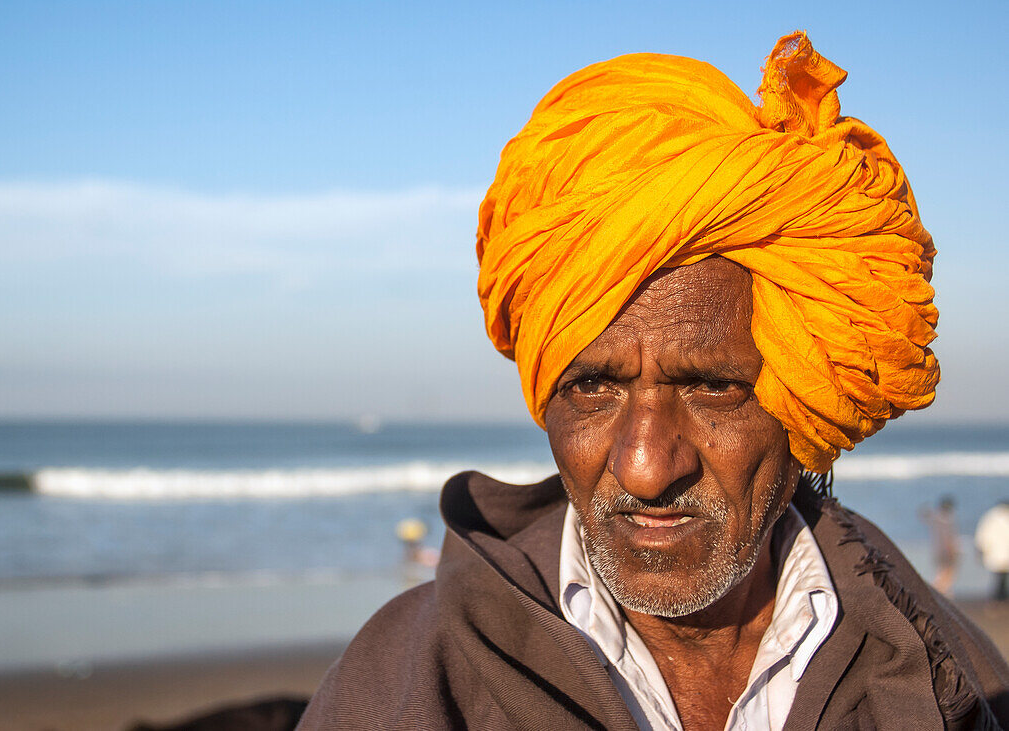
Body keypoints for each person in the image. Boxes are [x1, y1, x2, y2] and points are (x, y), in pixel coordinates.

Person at [299, 32, 1009, 729]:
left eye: (711, 388)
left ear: (799, 394)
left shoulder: (944, 677)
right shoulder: (402, 685)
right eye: (593, 389)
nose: (644, 467)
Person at [921, 496, 960, 596]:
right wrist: (952, 551)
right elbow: (948, 538)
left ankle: (937, 594)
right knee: (945, 576)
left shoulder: (937, 518)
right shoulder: (946, 520)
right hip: (946, 551)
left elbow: (925, 515)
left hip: (938, 551)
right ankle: (937, 594)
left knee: (942, 575)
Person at [976, 500, 1009, 601]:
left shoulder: (991, 516)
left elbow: (982, 535)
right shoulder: (995, 517)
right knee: (1001, 577)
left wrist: (980, 549)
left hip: (996, 553)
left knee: (1000, 577)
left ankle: (998, 598)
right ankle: (999, 598)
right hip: (1001, 553)